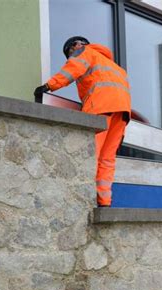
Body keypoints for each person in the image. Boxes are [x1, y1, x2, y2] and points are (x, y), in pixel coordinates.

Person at [34, 36, 131, 207]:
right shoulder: (115, 66)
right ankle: (104, 202)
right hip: (122, 112)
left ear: (76, 46)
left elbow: (71, 70)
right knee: (107, 158)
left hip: (101, 107)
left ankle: (83, 199)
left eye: (70, 52)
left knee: (91, 154)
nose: (72, 56)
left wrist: (48, 86)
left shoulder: (85, 52)